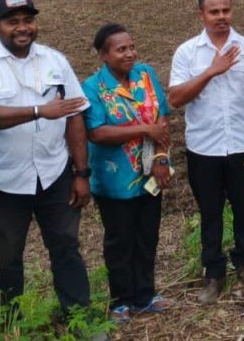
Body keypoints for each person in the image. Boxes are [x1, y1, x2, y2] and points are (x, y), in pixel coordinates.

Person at [0, 0, 94, 317]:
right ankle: (11, 326)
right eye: (13, 22)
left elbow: (75, 114)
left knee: (66, 248)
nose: (22, 28)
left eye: (28, 20)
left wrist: (81, 173)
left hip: (54, 174)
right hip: (3, 181)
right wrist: (38, 111)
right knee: (6, 259)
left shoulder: (54, 60)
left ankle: (79, 320)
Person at [168, 0, 244, 304]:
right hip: (203, 148)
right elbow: (176, 98)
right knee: (210, 213)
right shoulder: (187, 52)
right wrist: (212, 70)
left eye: (226, 10)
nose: (221, 16)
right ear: (202, 15)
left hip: (243, 145)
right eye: (214, 12)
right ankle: (213, 272)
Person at [82, 23, 173, 324]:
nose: (130, 53)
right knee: (120, 240)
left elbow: (162, 115)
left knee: (148, 235)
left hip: (150, 174)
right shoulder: (93, 87)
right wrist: (144, 129)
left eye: (132, 47)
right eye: (121, 49)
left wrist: (161, 157)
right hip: (114, 180)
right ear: (103, 55)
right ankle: (121, 300)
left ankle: (145, 295)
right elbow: (97, 132)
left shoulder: (145, 74)